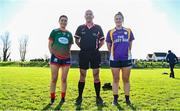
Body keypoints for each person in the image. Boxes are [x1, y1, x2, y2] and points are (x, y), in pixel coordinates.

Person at [74, 10, 105, 106]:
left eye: (90, 14)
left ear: (93, 16)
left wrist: (96, 49)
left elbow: (102, 41)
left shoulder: (98, 28)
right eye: (87, 14)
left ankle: (98, 96)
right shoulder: (80, 28)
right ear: (84, 16)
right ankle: (79, 96)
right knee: (82, 75)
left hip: (95, 54)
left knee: (96, 75)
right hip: (83, 53)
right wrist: (83, 48)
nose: (88, 16)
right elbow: (76, 40)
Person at [106, 12, 135, 105]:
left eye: (120, 18)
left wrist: (126, 51)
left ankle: (127, 99)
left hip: (126, 58)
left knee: (126, 79)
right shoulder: (110, 32)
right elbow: (108, 45)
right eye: (116, 18)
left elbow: (130, 44)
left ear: (122, 20)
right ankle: (115, 99)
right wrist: (114, 53)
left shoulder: (128, 30)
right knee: (115, 79)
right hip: (114, 59)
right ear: (114, 20)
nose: (118, 20)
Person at [48, 15, 73, 105]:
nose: (63, 22)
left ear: (67, 22)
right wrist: (53, 54)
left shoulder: (69, 34)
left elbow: (69, 47)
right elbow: (50, 45)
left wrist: (65, 54)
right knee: (54, 78)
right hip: (55, 58)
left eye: (65, 20)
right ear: (59, 21)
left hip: (66, 59)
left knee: (64, 79)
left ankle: (63, 98)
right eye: (62, 20)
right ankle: (52, 98)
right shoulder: (54, 32)